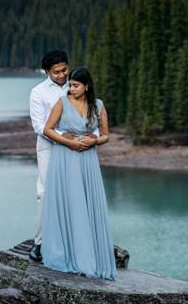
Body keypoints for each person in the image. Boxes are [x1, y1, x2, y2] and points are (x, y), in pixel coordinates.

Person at [39, 66, 116, 278]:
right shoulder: (62, 102)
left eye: (75, 85)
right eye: (70, 85)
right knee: (69, 202)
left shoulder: (98, 105)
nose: (71, 88)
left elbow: (106, 135)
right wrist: (68, 143)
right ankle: (66, 252)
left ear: (86, 86)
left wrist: (94, 140)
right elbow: (47, 129)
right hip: (65, 157)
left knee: (87, 203)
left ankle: (89, 255)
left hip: (88, 159)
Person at [27, 50, 69, 265]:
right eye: (56, 72)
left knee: (73, 191)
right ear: (47, 72)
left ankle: (72, 240)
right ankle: (40, 242)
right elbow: (39, 126)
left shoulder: (77, 86)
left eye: (64, 70)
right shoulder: (38, 92)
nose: (61, 75)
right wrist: (67, 138)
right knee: (45, 193)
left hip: (75, 149)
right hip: (48, 147)